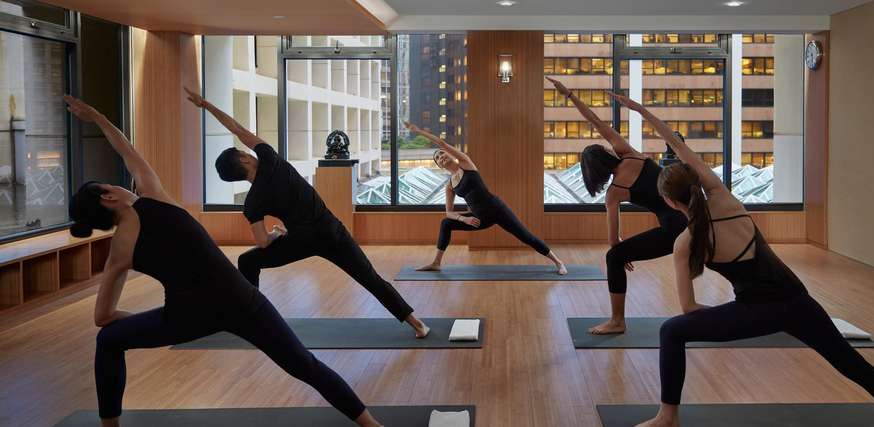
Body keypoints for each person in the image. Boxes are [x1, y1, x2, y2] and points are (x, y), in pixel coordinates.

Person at [607, 91, 874, 427]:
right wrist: (640, 110)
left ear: (669, 202)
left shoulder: (685, 242)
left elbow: (689, 310)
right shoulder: (724, 198)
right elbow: (679, 148)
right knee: (851, 363)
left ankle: (667, 416)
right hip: (799, 301)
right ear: (696, 184)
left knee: (672, 331)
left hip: (753, 311)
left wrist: (736, 320)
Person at [63, 95, 384, 427]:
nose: (121, 183)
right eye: (113, 184)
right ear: (109, 195)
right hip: (241, 302)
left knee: (109, 341)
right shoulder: (153, 196)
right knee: (306, 365)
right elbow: (126, 150)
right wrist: (98, 116)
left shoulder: (119, 251)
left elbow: (103, 317)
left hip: (186, 317)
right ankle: (371, 425)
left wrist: (161, 320)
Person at [185, 88, 428, 338]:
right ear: (246, 161)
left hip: (301, 240)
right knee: (370, 279)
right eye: (244, 153)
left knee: (247, 261)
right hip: (330, 231)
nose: (248, 153)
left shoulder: (252, 203)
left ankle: (251, 319)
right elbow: (237, 128)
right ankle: (416, 323)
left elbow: (261, 242)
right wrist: (207, 105)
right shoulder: (270, 159)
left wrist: (276, 235)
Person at [549, 77, 688, 334]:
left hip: (674, 229)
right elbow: (596, 122)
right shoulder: (629, 152)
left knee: (614, 257)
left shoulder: (614, 194)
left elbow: (614, 240)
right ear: (607, 154)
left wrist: (623, 251)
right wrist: (568, 94)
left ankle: (617, 321)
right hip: (690, 215)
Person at [404, 121, 568, 275]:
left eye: (442, 154)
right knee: (446, 223)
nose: (441, 157)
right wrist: (464, 219)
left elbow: (442, 143)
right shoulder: (449, 186)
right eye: (438, 158)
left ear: (449, 154)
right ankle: (436, 263)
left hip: (497, 209)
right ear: (439, 166)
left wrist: (418, 131)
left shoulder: (465, 163)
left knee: (526, 237)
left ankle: (558, 262)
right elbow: (449, 213)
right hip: (478, 218)